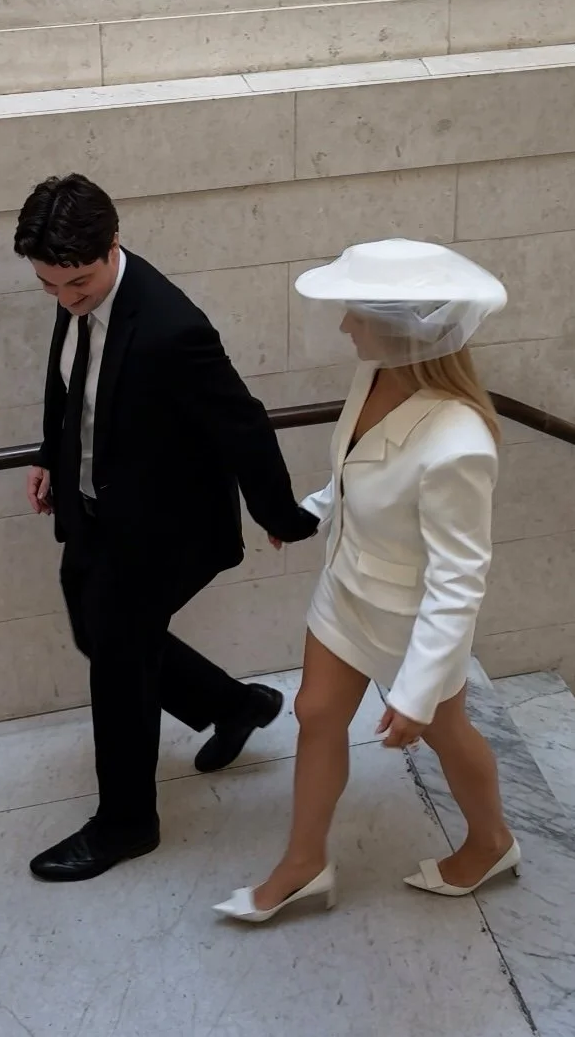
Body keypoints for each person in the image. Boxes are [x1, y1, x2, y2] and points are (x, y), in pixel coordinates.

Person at [15, 173, 318, 883]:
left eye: (78, 286)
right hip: (94, 510)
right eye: (49, 287)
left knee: (119, 664)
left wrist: (279, 513)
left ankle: (126, 823)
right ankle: (236, 704)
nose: (65, 300)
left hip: (162, 530)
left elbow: (242, 423)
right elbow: (69, 386)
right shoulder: (75, 289)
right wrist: (47, 458)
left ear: (113, 244)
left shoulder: (171, 328)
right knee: (95, 631)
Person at [215, 238, 519, 922]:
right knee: (315, 713)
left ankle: (492, 840)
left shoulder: (458, 444)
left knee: (448, 732)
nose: (345, 325)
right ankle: (303, 863)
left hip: (413, 622)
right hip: (346, 589)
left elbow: (460, 579)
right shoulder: (377, 372)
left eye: (356, 314)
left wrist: (413, 691)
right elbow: (357, 472)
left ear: (404, 327)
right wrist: (313, 511)